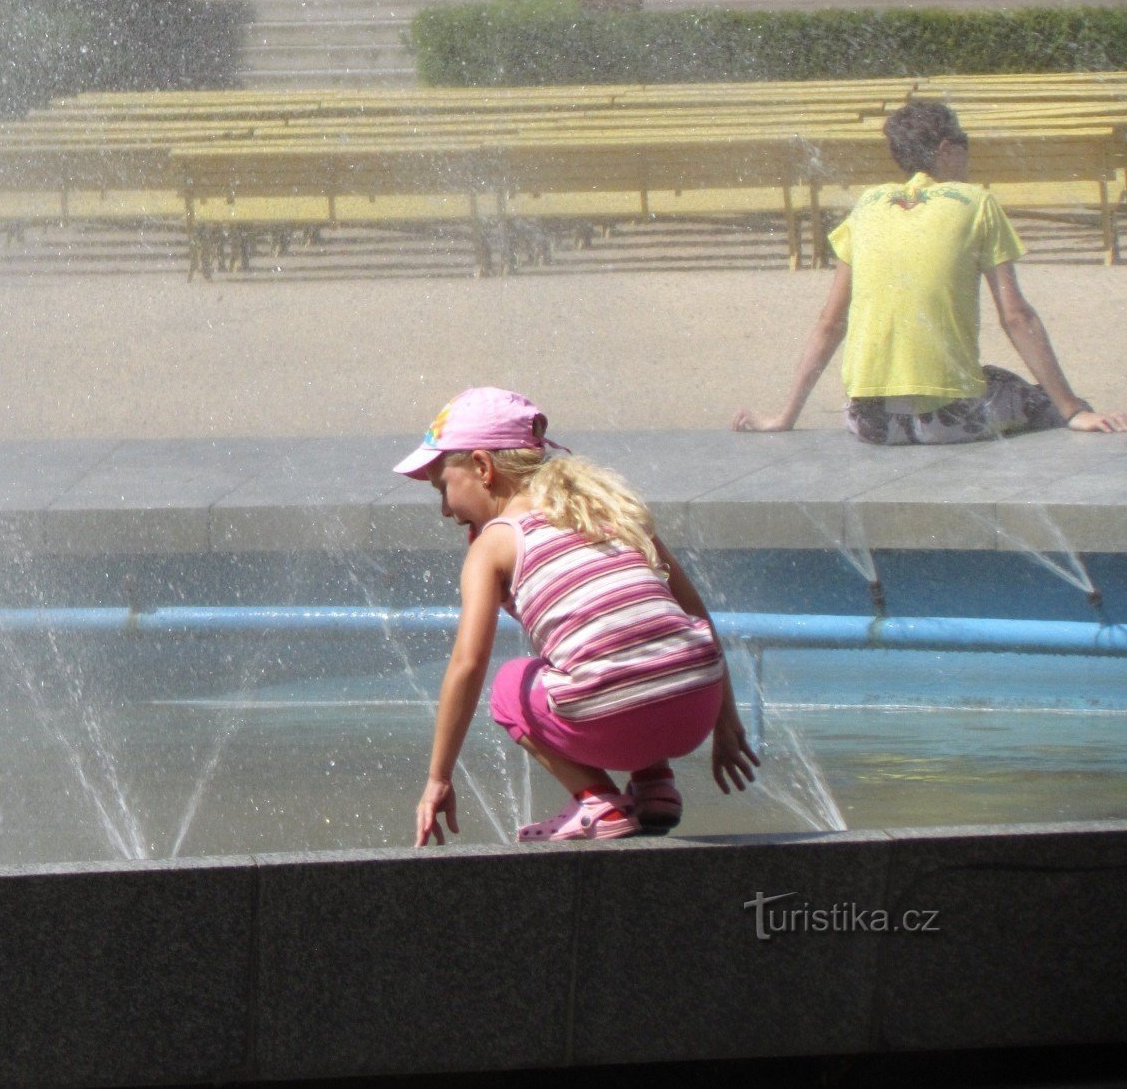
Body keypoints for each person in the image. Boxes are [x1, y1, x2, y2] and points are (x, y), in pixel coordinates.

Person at [403, 388, 757, 845]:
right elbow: (692, 613)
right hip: (697, 708)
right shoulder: (609, 510)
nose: (446, 510)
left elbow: (467, 664)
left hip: (612, 717)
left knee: (512, 685)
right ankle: (654, 788)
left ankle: (596, 802)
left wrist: (439, 777)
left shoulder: (495, 544)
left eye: (443, 488)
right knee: (625, 638)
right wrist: (725, 718)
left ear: (483, 468)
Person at [734, 99, 1126, 443]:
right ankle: (1077, 414)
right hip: (951, 422)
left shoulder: (868, 204)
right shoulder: (977, 203)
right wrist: (1073, 410)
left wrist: (784, 417)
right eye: (965, 148)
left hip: (871, 424)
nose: (969, 159)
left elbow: (830, 323)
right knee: (1037, 397)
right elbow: (1017, 318)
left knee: (976, 377)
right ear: (945, 150)